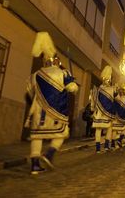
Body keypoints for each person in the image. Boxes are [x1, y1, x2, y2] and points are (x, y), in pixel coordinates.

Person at [25, 32, 78, 174]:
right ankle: (49, 154)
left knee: (37, 136)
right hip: (56, 111)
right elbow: (73, 88)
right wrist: (71, 82)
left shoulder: (35, 75)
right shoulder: (63, 73)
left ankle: (35, 165)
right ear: (56, 60)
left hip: (38, 110)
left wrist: (41, 101)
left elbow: (30, 91)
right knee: (62, 134)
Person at [91, 66, 116, 153]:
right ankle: (100, 148)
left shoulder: (108, 89)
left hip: (105, 113)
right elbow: (93, 100)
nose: (107, 82)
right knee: (101, 129)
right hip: (102, 113)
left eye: (108, 80)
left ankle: (104, 147)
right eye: (106, 80)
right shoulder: (99, 89)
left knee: (107, 129)